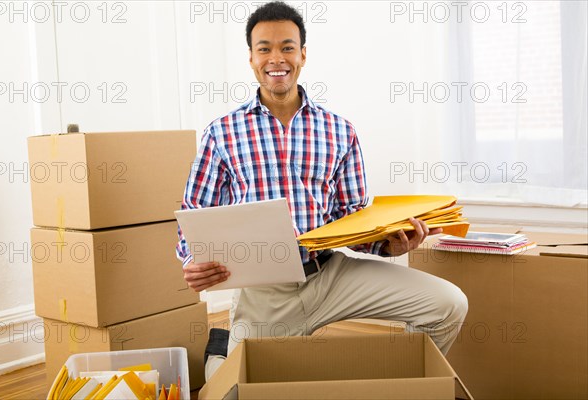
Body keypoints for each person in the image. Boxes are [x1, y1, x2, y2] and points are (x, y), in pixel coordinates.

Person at [176, 1, 468, 381]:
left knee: (448, 304)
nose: (276, 58)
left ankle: (395, 386)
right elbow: (194, 210)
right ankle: (221, 350)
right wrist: (191, 260)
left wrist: (388, 245)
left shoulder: (339, 130)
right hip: (266, 293)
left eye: (287, 47)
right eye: (264, 48)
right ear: (251, 58)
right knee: (231, 391)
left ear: (303, 55)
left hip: (331, 275)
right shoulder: (222, 132)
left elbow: (350, 215)